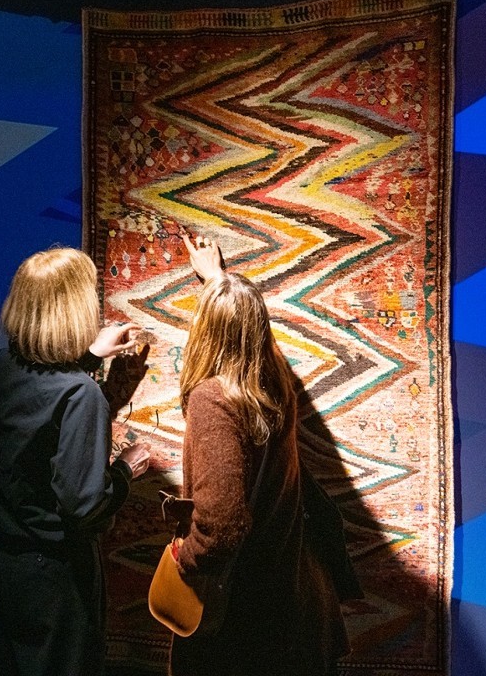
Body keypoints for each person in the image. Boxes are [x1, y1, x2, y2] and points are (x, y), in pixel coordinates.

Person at [167, 234, 358, 676]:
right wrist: (219, 282)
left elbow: (222, 527)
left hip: (240, 621)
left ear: (206, 333)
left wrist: (184, 559)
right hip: (289, 602)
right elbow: (247, 336)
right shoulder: (273, 384)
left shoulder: (213, 400)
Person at [0, 246, 151, 676]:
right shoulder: (81, 396)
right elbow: (83, 505)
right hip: (55, 583)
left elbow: (37, 408)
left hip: (4, 567)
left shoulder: (0, 366)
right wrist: (126, 471)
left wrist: (90, 357)